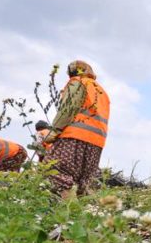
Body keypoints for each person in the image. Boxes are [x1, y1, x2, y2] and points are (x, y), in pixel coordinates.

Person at [42, 60, 110, 197]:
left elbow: (68, 108)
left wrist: (54, 130)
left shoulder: (78, 83)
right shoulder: (101, 91)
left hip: (74, 137)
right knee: (83, 182)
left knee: (55, 171)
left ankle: (70, 214)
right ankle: (88, 215)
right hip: (96, 142)